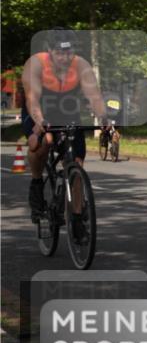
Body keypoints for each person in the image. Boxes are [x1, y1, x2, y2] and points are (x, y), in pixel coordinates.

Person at [22, 28, 109, 237]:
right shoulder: (35, 64)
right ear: (49, 51)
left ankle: (77, 219)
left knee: (77, 163)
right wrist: (40, 121)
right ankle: (36, 183)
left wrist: (104, 119)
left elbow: (94, 96)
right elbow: (33, 98)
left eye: (69, 52)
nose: (65, 57)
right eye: (59, 52)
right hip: (38, 109)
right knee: (42, 142)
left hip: (66, 110)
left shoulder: (81, 65)